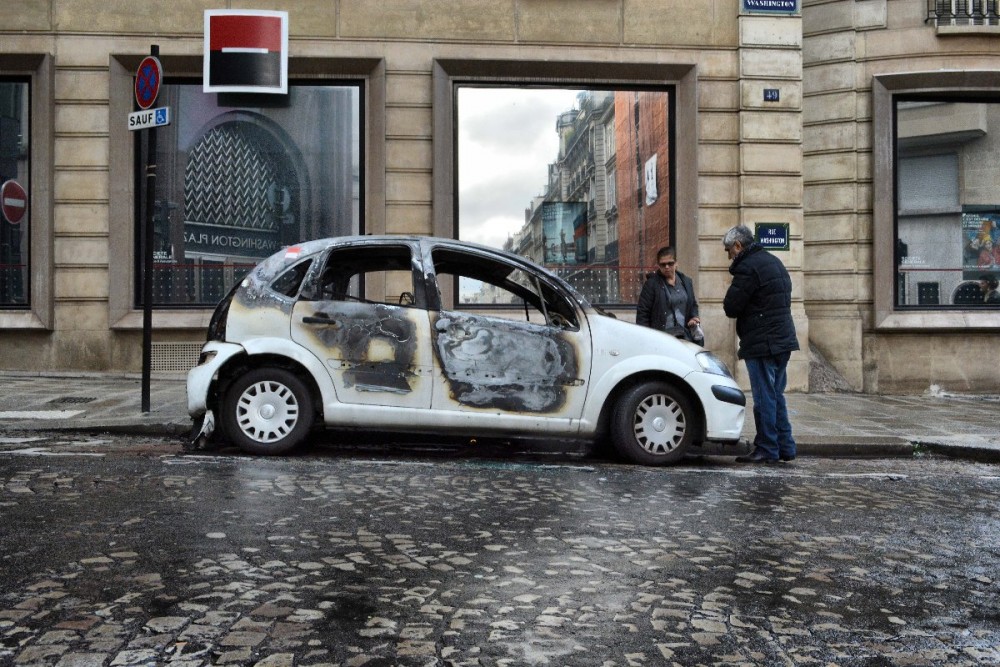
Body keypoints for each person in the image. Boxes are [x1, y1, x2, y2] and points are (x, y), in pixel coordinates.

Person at [722, 225, 799, 464]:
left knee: (765, 397)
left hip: (763, 343)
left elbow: (731, 307)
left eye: (728, 250)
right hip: (783, 340)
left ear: (738, 246)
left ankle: (767, 447)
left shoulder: (748, 267)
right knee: (776, 395)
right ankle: (785, 446)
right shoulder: (774, 262)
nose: (728, 256)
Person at [636, 246, 703, 345]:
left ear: (676, 263)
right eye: (663, 264)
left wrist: (694, 317)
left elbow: (692, 304)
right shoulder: (651, 284)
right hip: (662, 338)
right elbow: (643, 313)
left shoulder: (686, 281)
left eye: (670, 263)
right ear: (658, 265)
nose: (667, 267)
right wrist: (646, 339)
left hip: (685, 336)